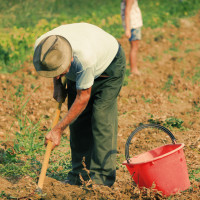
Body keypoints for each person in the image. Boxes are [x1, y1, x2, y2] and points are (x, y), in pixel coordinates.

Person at [33, 23, 126, 187]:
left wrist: (58, 129)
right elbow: (53, 67)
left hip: (108, 69)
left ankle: (102, 181)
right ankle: (79, 176)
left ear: (70, 58)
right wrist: (57, 85)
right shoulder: (43, 47)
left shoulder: (84, 58)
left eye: (62, 70)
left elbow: (84, 97)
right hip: (81, 69)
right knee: (77, 122)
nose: (61, 74)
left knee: (101, 119)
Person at [121, 0, 143, 75]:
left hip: (133, 24)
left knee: (134, 47)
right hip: (133, 24)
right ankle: (133, 70)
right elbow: (127, 11)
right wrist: (128, 29)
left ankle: (134, 69)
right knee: (134, 48)